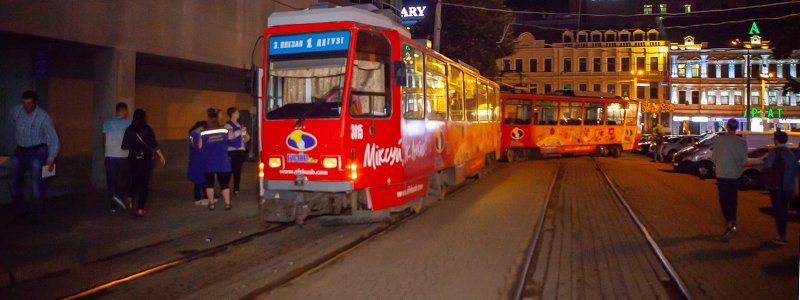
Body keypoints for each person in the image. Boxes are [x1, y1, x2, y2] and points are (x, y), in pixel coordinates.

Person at [9, 90, 59, 223]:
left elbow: (53, 138)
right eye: (24, 103)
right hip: (21, 150)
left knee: (36, 183)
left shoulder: (43, 117)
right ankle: (21, 209)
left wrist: (51, 158)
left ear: (35, 103)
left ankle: (36, 214)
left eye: (29, 103)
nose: (26, 106)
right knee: (13, 182)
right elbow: (13, 121)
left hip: (37, 150)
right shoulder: (16, 111)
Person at [121, 109, 165, 217]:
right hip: (145, 159)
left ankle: (130, 196)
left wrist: (134, 145)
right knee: (144, 184)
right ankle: (140, 208)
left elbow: (124, 146)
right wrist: (161, 156)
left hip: (132, 159)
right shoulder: (147, 129)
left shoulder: (129, 130)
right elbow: (154, 144)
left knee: (135, 180)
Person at [711, 118, 747, 240]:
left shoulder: (719, 140)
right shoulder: (741, 142)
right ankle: (732, 220)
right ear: (737, 128)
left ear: (727, 127)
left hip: (722, 174)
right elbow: (744, 160)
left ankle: (729, 221)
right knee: (733, 199)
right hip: (735, 175)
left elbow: (713, 158)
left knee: (724, 199)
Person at [762, 131, 798, 246]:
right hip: (788, 187)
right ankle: (783, 234)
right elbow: (797, 171)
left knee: (778, 211)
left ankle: (782, 235)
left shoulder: (774, 152)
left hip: (777, 186)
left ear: (776, 140)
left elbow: (767, 166)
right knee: (784, 210)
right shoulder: (791, 154)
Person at [200, 108, 232, 210]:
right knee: (224, 183)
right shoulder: (224, 131)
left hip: (209, 161)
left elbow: (200, 146)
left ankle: (212, 204)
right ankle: (227, 204)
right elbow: (229, 141)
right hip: (222, 160)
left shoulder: (203, 133)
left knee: (209, 183)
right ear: (218, 119)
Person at [102, 102, 132, 212]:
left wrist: (107, 151)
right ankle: (119, 195)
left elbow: (104, 140)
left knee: (111, 180)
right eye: (126, 111)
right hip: (123, 155)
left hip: (110, 155)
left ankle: (112, 206)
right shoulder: (128, 123)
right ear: (123, 110)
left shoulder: (106, 123)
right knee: (126, 177)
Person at [224, 107, 248, 197]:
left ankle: (236, 190)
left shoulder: (238, 124)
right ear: (233, 114)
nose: (239, 114)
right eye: (237, 112)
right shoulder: (227, 125)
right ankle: (225, 188)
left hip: (240, 150)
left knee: (238, 171)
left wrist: (245, 133)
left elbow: (244, 138)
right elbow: (230, 137)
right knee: (229, 171)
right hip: (232, 151)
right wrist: (240, 131)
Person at [189, 121, 208, 205]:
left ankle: (203, 196)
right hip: (199, 159)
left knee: (200, 179)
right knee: (200, 179)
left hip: (195, 159)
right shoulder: (197, 135)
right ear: (201, 127)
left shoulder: (192, 133)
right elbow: (199, 146)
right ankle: (198, 198)